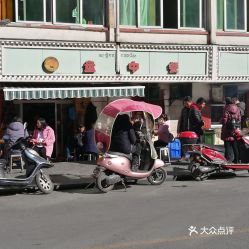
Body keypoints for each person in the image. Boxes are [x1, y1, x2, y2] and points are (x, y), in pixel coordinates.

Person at [221, 97, 241, 163]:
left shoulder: (226, 108)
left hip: (227, 131)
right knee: (235, 146)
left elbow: (224, 120)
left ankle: (227, 161)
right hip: (234, 130)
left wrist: (223, 123)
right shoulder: (237, 108)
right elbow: (239, 119)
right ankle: (236, 161)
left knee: (227, 147)